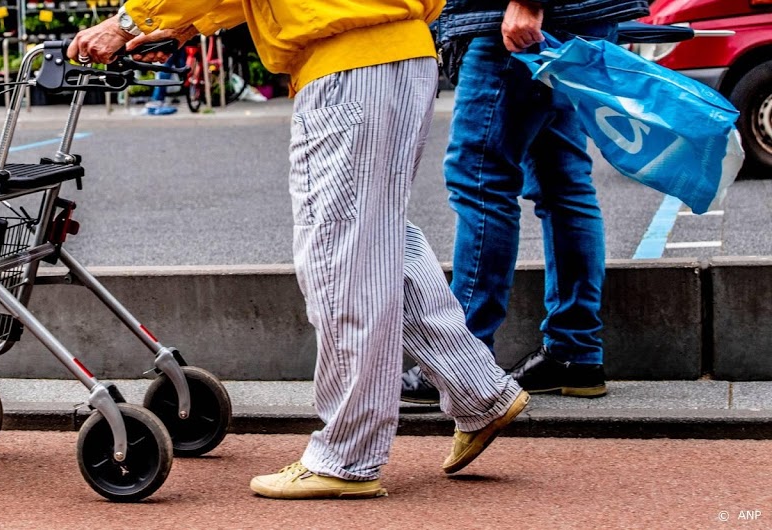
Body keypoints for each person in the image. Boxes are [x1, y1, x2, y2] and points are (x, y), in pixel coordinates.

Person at [68, 0, 528, 500]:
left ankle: (347, 456)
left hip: (344, 63)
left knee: (340, 256)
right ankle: (478, 390)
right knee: (379, 238)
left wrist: (130, 21)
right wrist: (181, 25)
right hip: (402, 54)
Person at [400, 0, 651, 405]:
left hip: (520, 21)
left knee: (481, 177)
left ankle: (462, 362)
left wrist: (528, 2)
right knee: (563, 181)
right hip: (573, 16)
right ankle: (574, 353)